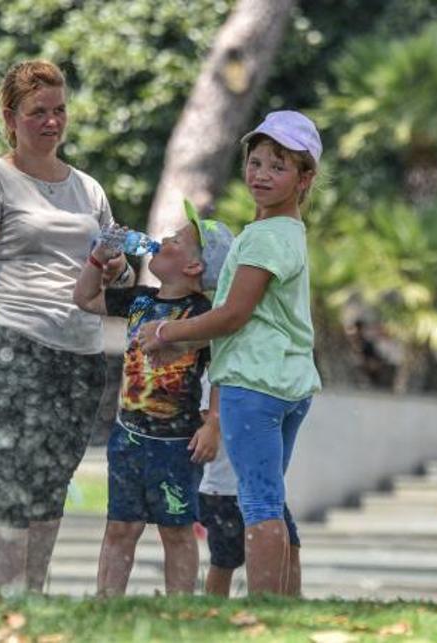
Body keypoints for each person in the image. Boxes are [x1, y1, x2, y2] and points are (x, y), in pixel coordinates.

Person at [0, 60, 133, 593]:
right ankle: (2, 601)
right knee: (8, 479)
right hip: (12, 341)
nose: (52, 122)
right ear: (11, 117)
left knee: (52, 482)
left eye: (59, 110)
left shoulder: (89, 189)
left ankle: (34, 598)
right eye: (38, 112)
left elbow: (110, 275)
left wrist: (116, 263)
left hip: (78, 355)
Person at [138, 110, 323, 596]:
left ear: (305, 178)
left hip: (253, 388)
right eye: (256, 162)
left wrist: (166, 334)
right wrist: (187, 341)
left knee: (258, 503)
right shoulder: (288, 235)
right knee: (271, 499)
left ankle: (262, 611)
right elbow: (251, 323)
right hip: (289, 384)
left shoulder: (264, 238)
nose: (261, 174)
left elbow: (234, 315)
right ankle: (286, 604)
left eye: (278, 167)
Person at [73, 207, 232, 596]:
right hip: (128, 438)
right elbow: (85, 298)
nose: (161, 241)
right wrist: (99, 257)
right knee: (120, 527)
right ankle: (106, 605)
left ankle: (180, 612)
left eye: (175, 241)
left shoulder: (204, 316)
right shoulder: (139, 300)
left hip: (177, 445)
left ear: (194, 267)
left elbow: (224, 372)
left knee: (176, 531)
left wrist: (213, 423)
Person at [196, 373, 301, 597]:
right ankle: (214, 605)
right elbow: (210, 419)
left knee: (291, 545)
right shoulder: (216, 376)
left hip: (261, 486)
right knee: (225, 560)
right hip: (224, 489)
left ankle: (289, 601)